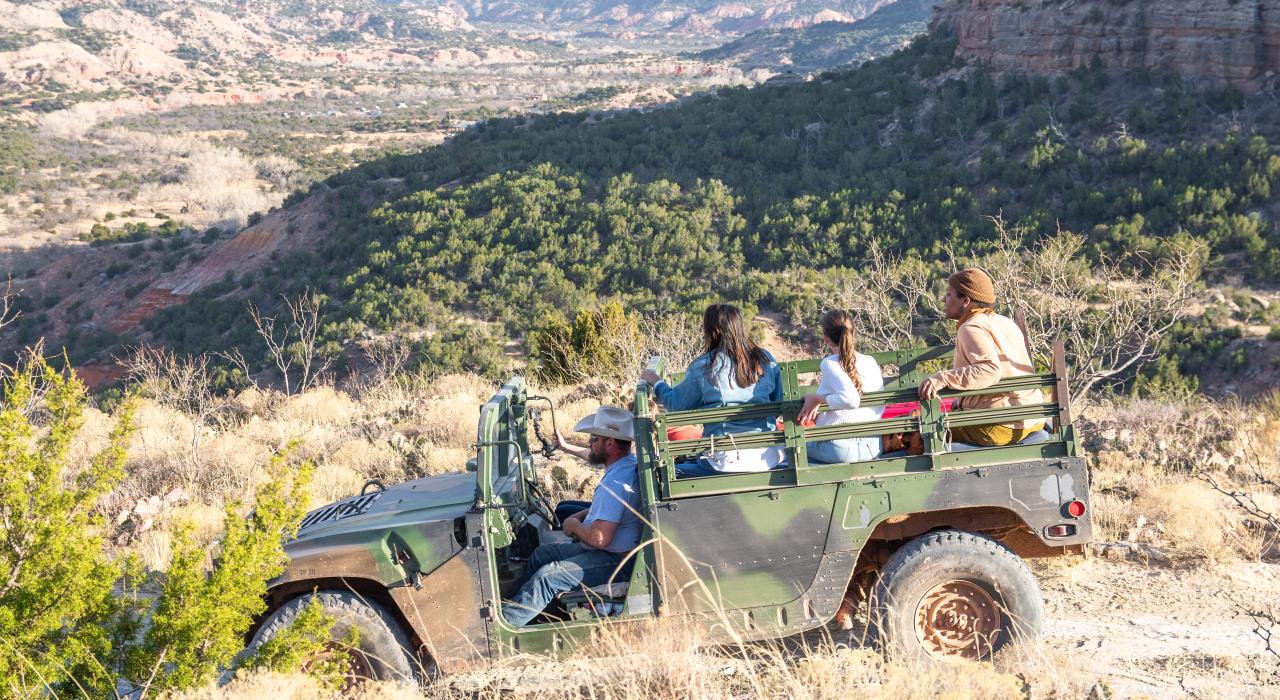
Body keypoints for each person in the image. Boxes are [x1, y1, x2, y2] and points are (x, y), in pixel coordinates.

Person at [502, 406, 642, 627]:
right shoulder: (625, 464)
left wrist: (574, 525)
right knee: (542, 555)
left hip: (617, 562)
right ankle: (527, 611)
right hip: (611, 551)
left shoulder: (614, 484)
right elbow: (593, 460)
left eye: (593, 439)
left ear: (609, 443)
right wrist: (566, 447)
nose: (589, 443)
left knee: (547, 578)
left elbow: (599, 538)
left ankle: (502, 629)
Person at [640, 303, 784, 476]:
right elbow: (778, 402)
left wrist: (657, 383)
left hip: (723, 461)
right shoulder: (765, 359)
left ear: (711, 330)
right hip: (768, 456)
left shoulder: (704, 366)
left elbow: (676, 405)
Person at [916, 268, 1045, 447]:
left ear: (965, 301)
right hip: (1034, 418)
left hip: (1001, 425)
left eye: (949, 294)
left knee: (919, 432)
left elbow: (990, 370)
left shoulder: (971, 327)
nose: (944, 299)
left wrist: (942, 378)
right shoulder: (1005, 322)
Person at [796, 310, 884, 464]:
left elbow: (851, 400)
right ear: (853, 332)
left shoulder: (830, 363)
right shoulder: (870, 361)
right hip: (873, 446)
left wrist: (817, 399)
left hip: (840, 448)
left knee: (790, 446)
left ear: (825, 338)